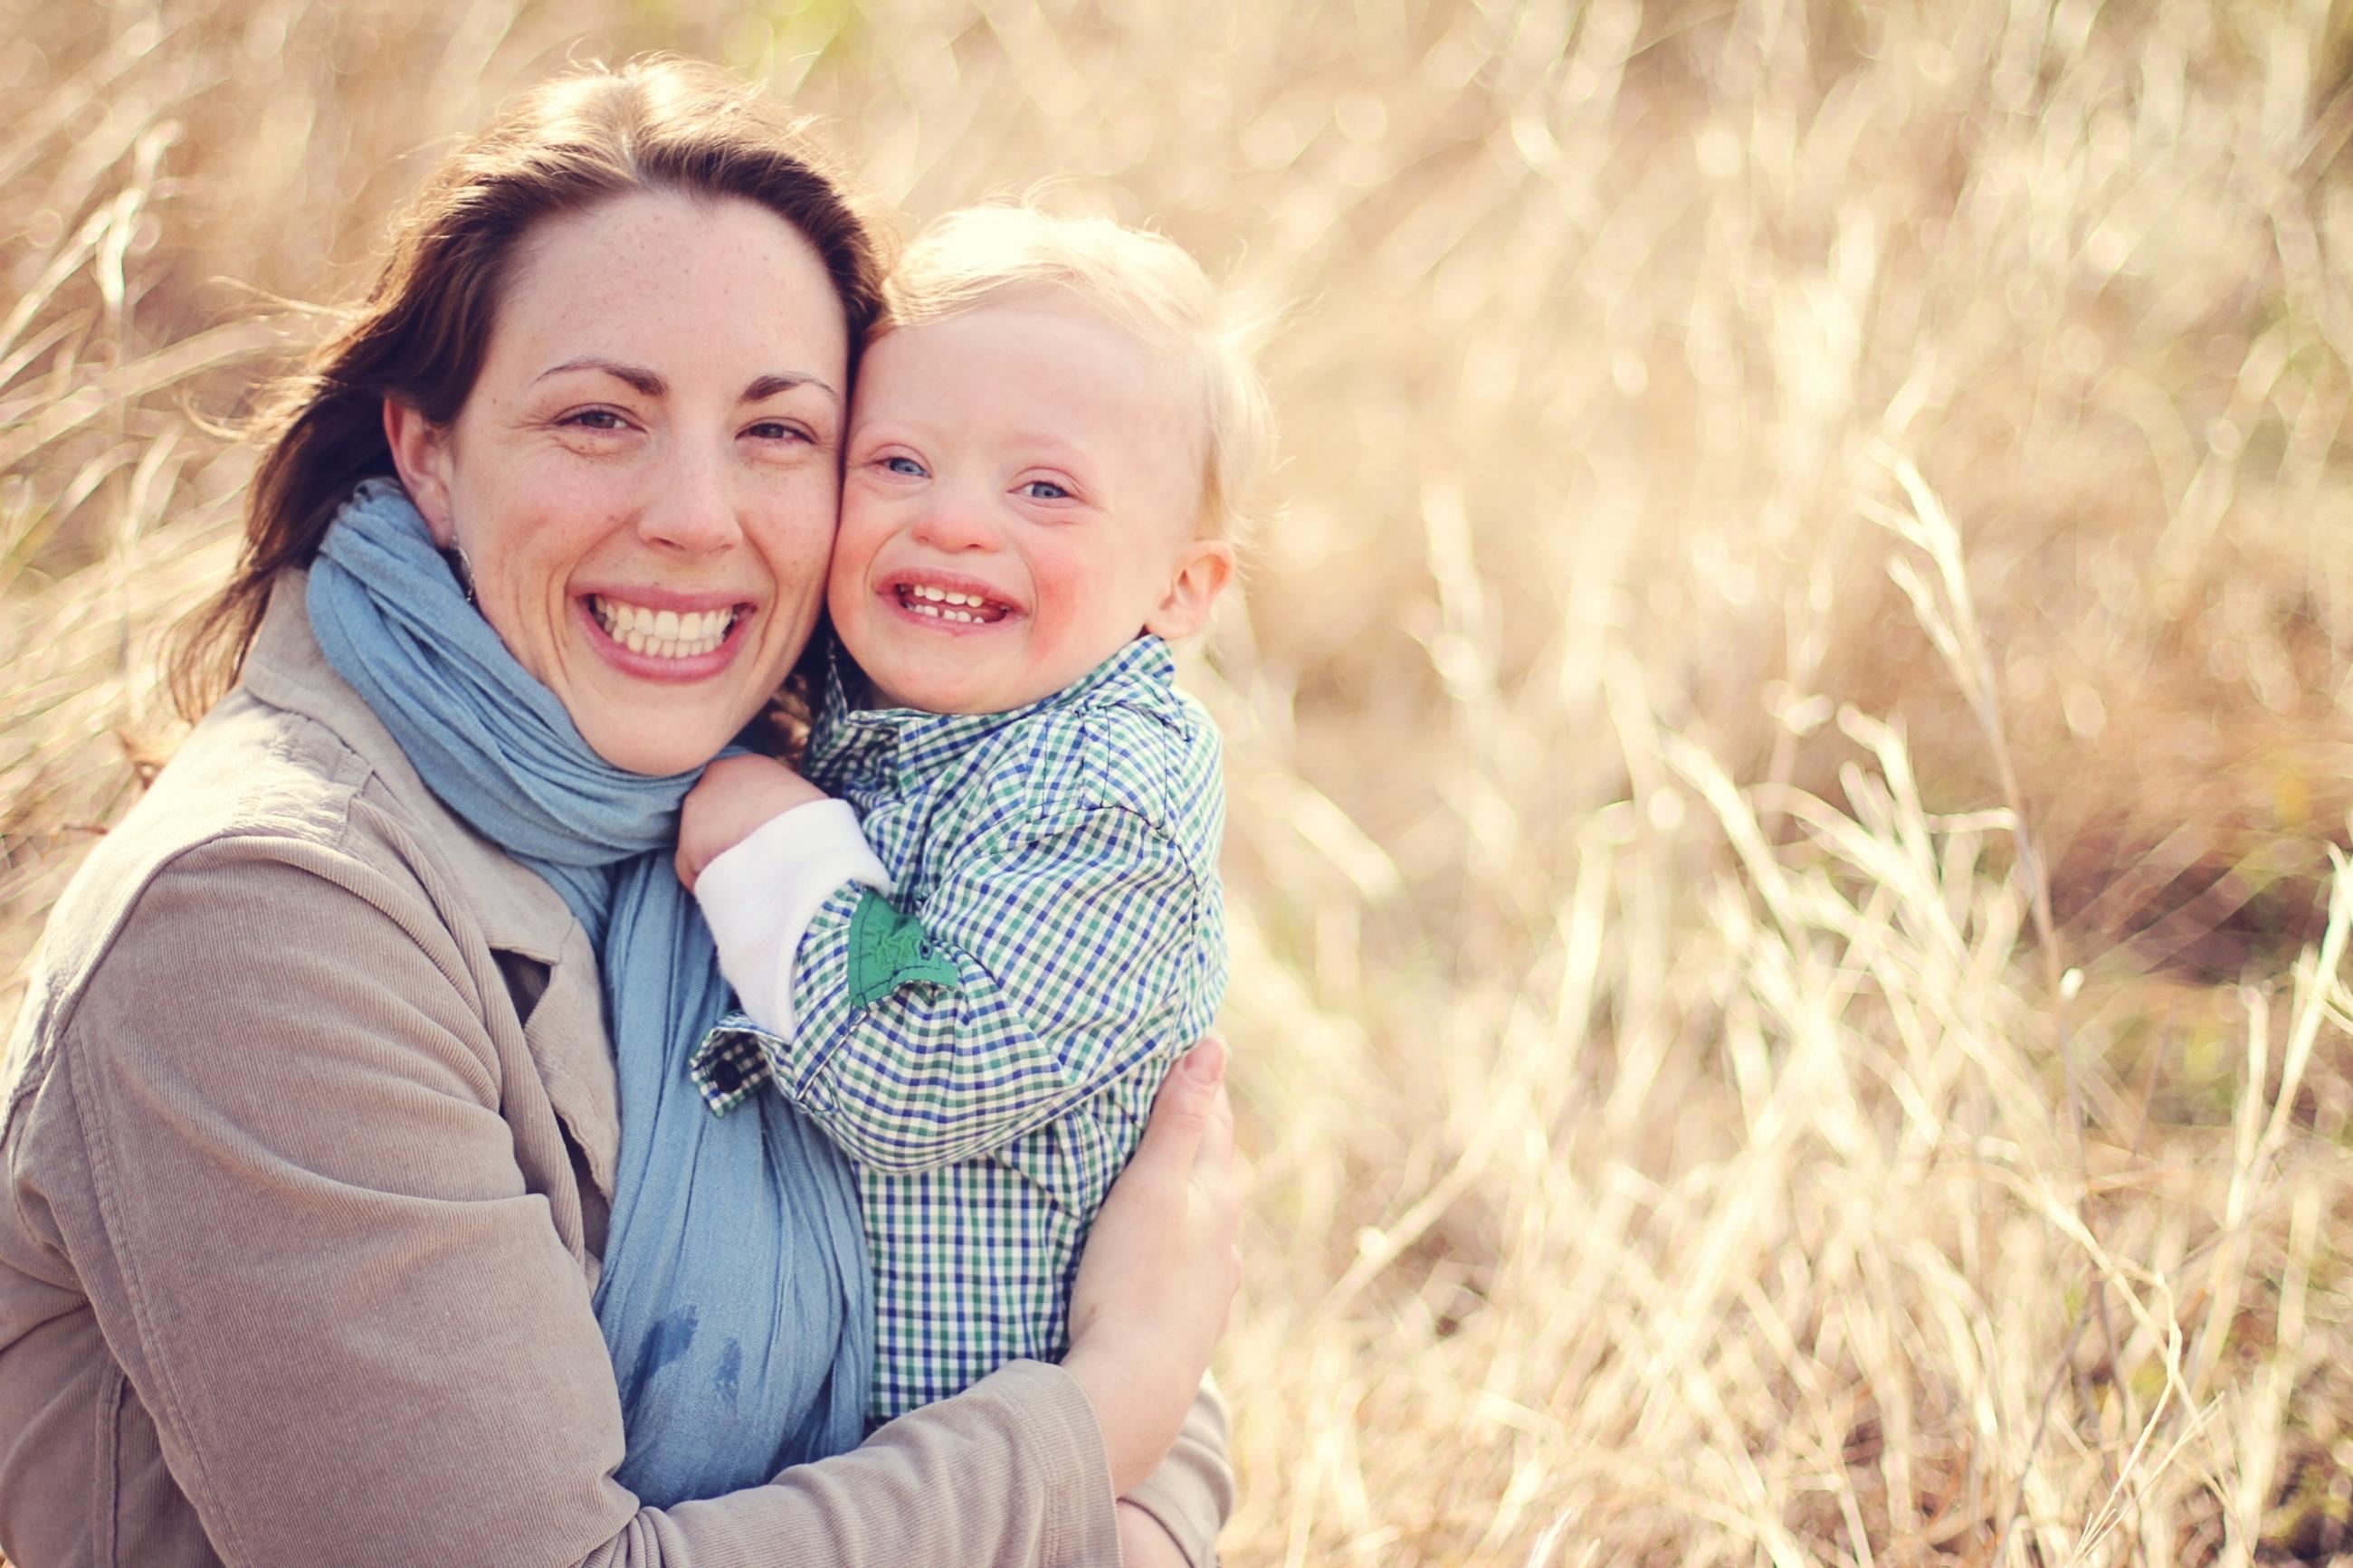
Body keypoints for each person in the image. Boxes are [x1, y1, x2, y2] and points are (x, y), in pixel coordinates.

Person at [0, 59, 1238, 1568]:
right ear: (429, 452)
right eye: (599, 418)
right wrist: (1096, 1428)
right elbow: (1114, 1379)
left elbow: (1070, 1261)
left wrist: (1125, 1475)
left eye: (780, 432)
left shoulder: (769, 806)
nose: (697, 517)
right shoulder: (263, 925)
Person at [672, 205, 1258, 1425]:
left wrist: (777, 849)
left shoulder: (1105, 791)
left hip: (977, 1478)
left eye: (1046, 487)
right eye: (898, 463)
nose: (953, 520)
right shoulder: (888, 701)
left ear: (1181, 585)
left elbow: (923, 1057)